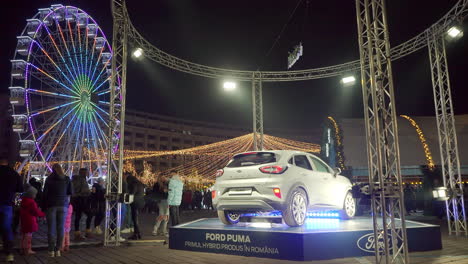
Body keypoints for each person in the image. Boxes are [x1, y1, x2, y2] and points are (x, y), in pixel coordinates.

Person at [42, 163, 73, 258]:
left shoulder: (49, 179)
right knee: (61, 229)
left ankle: (51, 250)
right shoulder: (66, 179)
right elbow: (70, 192)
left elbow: (45, 194)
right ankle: (58, 249)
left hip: (51, 206)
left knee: (51, 229)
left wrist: (43, 207)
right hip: (63, 205)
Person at [0, 157, 23, 262]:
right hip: (7, 204)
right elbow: (20, 190)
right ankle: (9, 254)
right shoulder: (14, 174)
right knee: (7, 228)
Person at [20, 186, 45, 255]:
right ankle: (27, 249)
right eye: (35, 194)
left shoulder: (24, 201)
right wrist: (43, 214)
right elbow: (36, 212)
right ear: (32, 195)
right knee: (28, 237)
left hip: (24, 221)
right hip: (30, 221)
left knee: (24, 235)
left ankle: (22, 249)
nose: (35, 196)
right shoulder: (32, 202)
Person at [71, 168, 91, 240]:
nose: (87, 173)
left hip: (76, 200)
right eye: (86, 172)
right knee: (89, 214)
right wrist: (89, 192)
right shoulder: (81, 180)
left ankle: (77, 232)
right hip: (82, 199)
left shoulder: (74, 180)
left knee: (78, 216)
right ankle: (87, 231)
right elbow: (84, 190)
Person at [127, 175, 145, 240]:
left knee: (134, 219)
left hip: (135, 202)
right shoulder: (140, 183)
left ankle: (137, 234)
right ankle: (137, 233)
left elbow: (132, 193)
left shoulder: (134, 184)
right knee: (135, 218)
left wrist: (128, 193)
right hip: (141, 202)